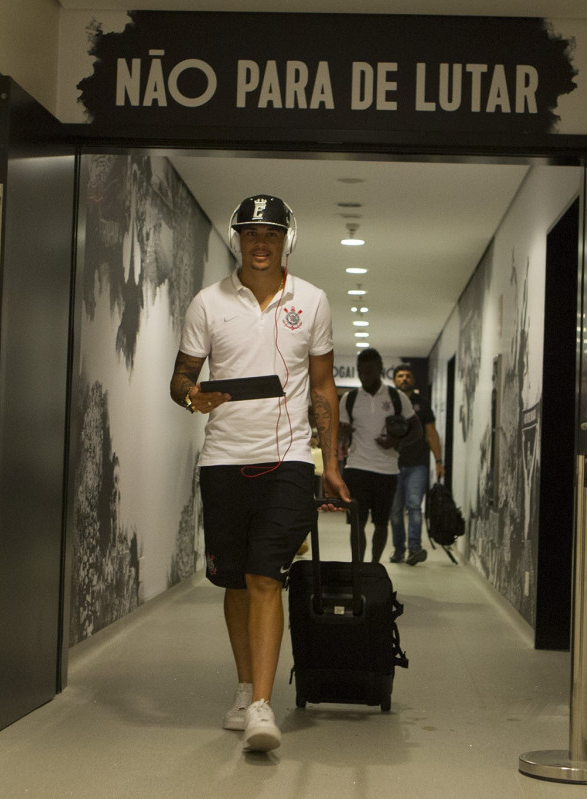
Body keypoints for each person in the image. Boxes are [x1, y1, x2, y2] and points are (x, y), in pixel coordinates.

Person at [169, 194, 347, 753]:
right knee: (236, 580)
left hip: (290, 457)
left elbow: (322, 389)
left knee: (266, 575)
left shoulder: (313, 301)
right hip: (223, 459)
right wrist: (192, 396)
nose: (260, 243)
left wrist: (332, 463)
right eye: (250, 234)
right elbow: (180, 378)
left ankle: (264, 706)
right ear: (237, 239)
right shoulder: (207, 303)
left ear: (286, 239)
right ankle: (245, 688)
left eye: (270, 233)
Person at [339, 348, 421, 563]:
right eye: (361, 372)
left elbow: (417, 430)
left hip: (386, 471)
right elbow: (338, 434)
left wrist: (396, 442)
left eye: (369, 372)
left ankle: (374, 566)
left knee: (382, 523)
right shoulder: (349, 398)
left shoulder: (396, 397)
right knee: (357, 524)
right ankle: (358, 568)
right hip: (356, 469)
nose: (364, 376)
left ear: (380, 370)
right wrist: (342, 433)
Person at [389, 363, 445, 565]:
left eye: (408, 376)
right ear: (394, 380)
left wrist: (438, 460)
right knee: (395, 511)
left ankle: (414, 548)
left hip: (417, 464)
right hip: (391, 465)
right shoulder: (387, 401)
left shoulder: (422, 403)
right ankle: (398, 549)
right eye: (400, 375)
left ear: (413, 380)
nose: (404, 378)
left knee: (414, 506)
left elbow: (431, 432)